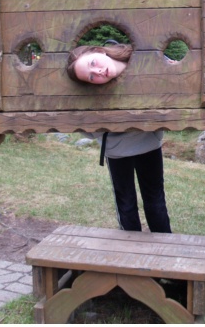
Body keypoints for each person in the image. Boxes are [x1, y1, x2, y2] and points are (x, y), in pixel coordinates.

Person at [66, 42, 172, 233]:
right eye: (91, 77)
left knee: (152, 201)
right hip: (120, 151)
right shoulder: (89, 94)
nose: (98, 72)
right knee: (132, 203)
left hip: (145, 143)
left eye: (93, 63)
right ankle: (133, 249)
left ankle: (163, 247)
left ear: (99, 51)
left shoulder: (143, 59)